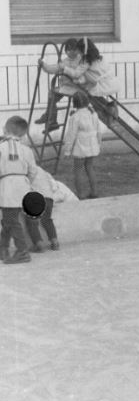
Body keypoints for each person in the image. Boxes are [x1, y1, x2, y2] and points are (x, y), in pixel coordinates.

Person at [0, 116, 39, 264]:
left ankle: (22, 251)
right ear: (23, 133)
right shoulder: (26, 149)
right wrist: (25, 182)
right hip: (23, 185)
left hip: (7, 186)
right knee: (8, 219)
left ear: (5, 129)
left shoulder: (1, 147)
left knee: (11, 220)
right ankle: (3, 248)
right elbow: (33, 171)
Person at [35, 37, 84, 131]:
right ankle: (50, 118)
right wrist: (43, 65)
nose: (69, 52)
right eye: (67, 50)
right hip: (67, 87)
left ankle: (51, 119)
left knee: (52, 94)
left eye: (72, 49)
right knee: (52, 94)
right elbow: (53, 69)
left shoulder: (81, 60)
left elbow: (77, 74)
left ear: (77, 50)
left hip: (75, 87)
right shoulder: (66, 61)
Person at [24, 165, 76, 252]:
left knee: (32, 221)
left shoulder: (24, 171)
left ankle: (39, 244)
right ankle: (55, 242)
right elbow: (53, 184)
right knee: (47, 220)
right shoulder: (42, 171)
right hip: (49, 197)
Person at [63, 91, 102, 199]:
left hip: (80, 147)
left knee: (78, 170)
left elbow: (71, 135)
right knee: (90, 168)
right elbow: (99, 130)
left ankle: (81, 194)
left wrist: (67, 151)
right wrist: (98, 143)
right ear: (87, 101)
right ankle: (94, 192)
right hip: (92, 145)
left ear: (74, 103)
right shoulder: (93, 114)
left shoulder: (75, 117)